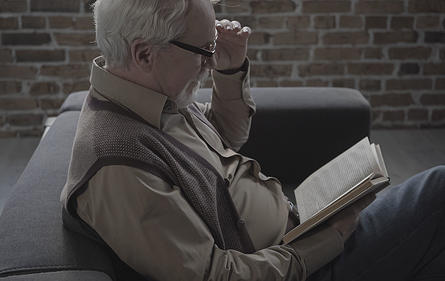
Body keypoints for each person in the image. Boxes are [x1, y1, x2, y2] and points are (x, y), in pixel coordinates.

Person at [60, 0, 445, 280]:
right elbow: (215, 276)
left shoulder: (151, 97)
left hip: (297, 238)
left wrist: (228, 69)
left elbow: (221, 140)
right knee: (437, 190)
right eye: (203, 52)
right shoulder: (117, 162)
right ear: (144, 53)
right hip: (300, 266)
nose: (208, 63)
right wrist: (329, 239)